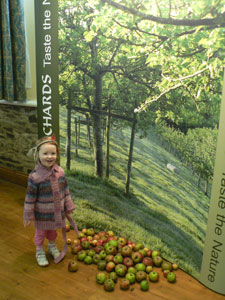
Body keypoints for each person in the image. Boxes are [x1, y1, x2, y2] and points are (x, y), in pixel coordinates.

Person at [23, 135, 78, 267]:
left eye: (53, 153)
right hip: (42, 214)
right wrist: (28, 214)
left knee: (53, 232)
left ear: (57, 154)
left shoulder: (60, 172)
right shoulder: (35, 177)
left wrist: (69, 205)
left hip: (56, 213)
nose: (49, 157)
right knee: (41, 233)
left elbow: (65, 190)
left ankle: (52, 246)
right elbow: (30, 198)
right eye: (45, 153)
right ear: (38, 155)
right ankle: (39, 251)